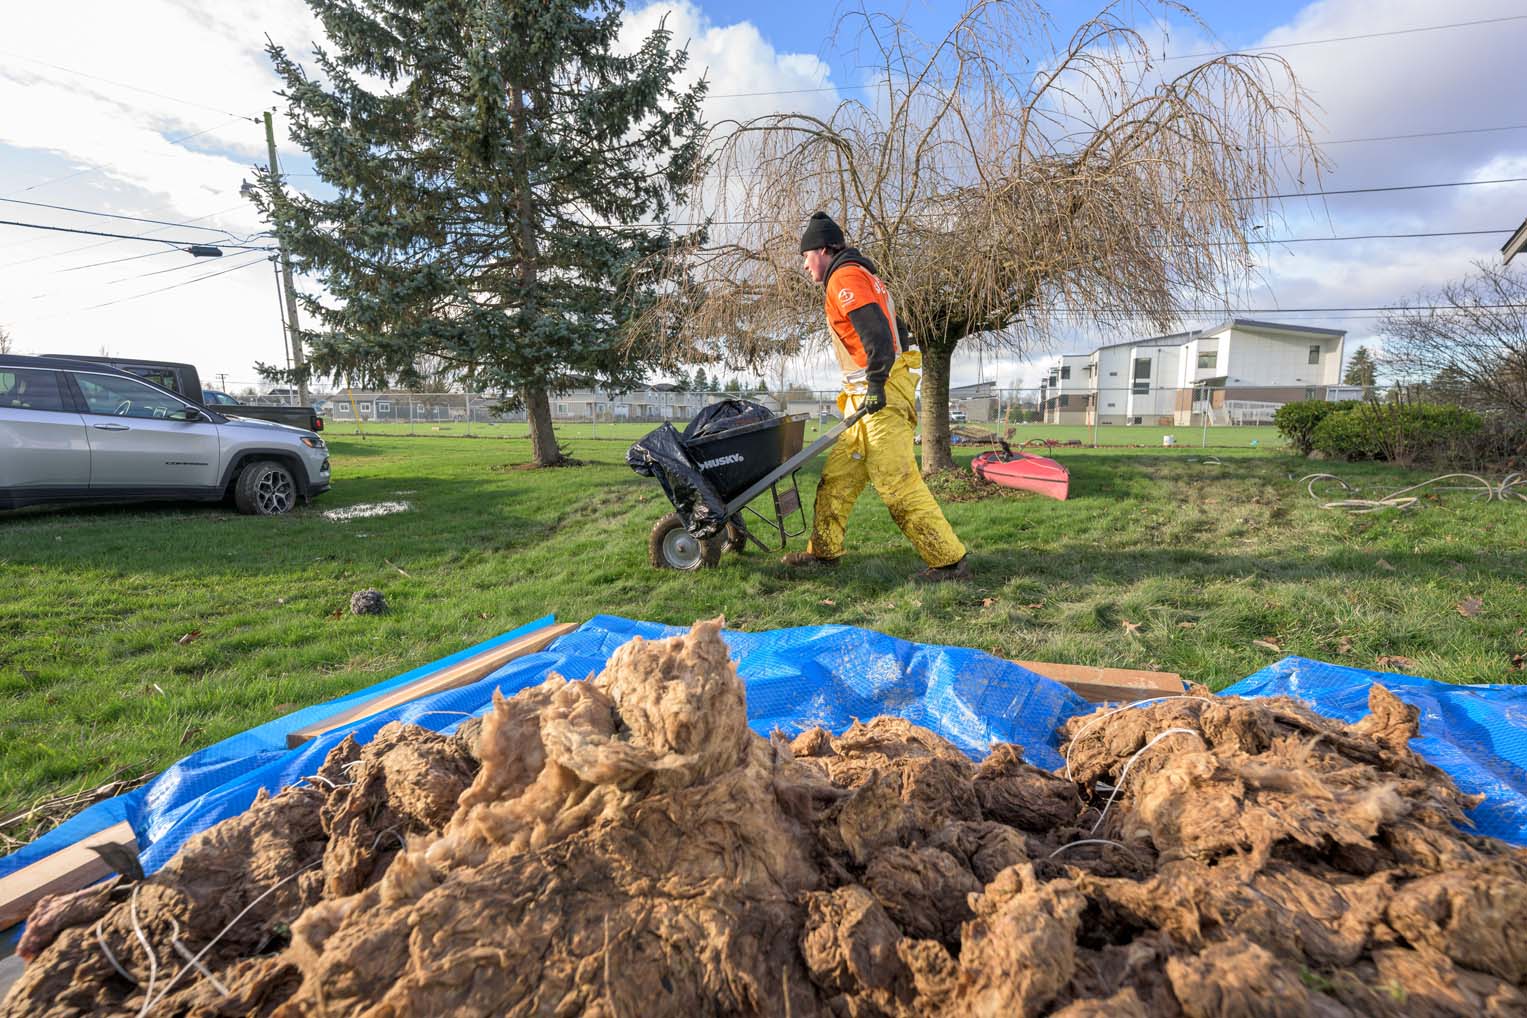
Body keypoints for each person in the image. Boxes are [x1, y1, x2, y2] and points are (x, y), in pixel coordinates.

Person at [782, 212, 969, 582]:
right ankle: (824, 553)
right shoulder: (866, 276)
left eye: (805, 256)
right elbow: (900, 332)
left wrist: (879, 384)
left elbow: (880, 337)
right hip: (866, 396)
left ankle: (949, 562)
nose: (804, 265)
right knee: (837, 478)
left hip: (877, 399)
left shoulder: (844, 277)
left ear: (822, 249)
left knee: (897, 482)